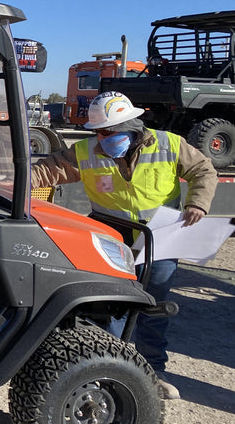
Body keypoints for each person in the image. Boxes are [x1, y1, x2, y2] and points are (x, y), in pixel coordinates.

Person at [31, 91, 218, 400]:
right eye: (98, 132)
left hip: (158, 241)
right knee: (110, 308)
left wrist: (198, 203)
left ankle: (152, 373)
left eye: (108, 132)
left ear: (129, 127)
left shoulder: (169, 144)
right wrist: (14, 181)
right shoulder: (86, 151)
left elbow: (204, 170)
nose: (102, 138)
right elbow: (48, 170)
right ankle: (105, 370)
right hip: (112, 240)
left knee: (153, 308)